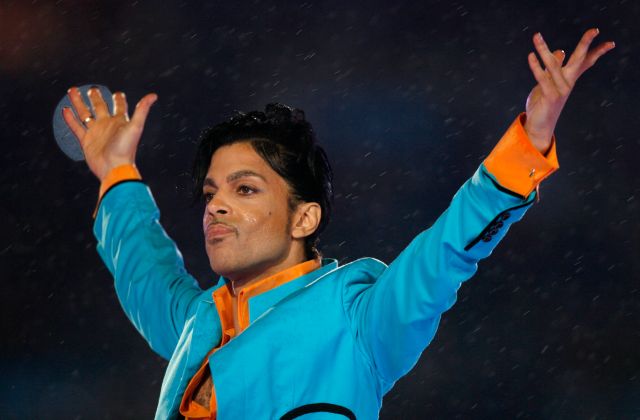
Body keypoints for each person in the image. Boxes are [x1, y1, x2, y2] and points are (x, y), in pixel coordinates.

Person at [62, 30, 613, 419]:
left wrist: (530, 140)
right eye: (212, 192)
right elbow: (144, 267)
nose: (215, 206)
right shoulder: (198, 320)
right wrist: (116, 172)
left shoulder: (357, 318)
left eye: (245, 188)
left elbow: (447, 251)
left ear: (305, 216)